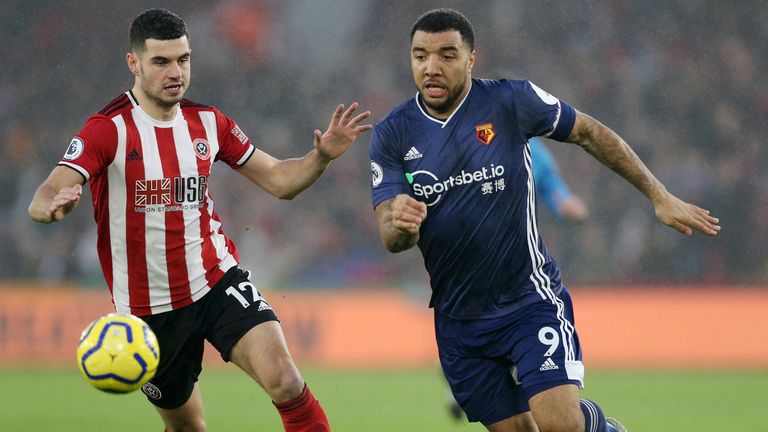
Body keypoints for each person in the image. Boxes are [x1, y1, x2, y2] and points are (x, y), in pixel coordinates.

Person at [369, 8, 719, 432]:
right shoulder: (392, 133)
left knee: (561, 427)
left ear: (471, 59)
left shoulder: (510, 100)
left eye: (447, 54)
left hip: (527, 302)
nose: (431, 67)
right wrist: (400, 225)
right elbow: (390, 235)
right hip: (459, 320)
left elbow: (588, 132)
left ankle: (599, 427)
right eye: (420, 56)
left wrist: (658, 196)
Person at [28, 9, 371, 432]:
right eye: (161, 62)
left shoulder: (208, 122)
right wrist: (55, 206)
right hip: (148, 314)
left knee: (285, 380)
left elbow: (281, 181)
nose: (176, 72)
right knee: (189, 428)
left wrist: (320, 157)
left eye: (183, 59)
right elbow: (44, 195)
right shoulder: (108, 129)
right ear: (133, 63)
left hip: (215, 281)